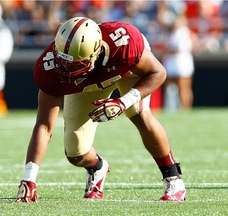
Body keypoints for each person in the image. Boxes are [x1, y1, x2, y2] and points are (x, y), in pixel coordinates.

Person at [16, 17, 186, 202]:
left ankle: (173, 179)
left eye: (74, 65)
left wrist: (123, 102)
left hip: (127, 71)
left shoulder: (123, 44)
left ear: (95, 52)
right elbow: (44, 125)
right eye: (63, 61)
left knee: (139, 114)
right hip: (87, 84)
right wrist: (29, 179)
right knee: (76, 153)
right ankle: (97, 167)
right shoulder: (50, 68)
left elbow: (158, 72)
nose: (65, 69)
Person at [162, 15, 195, 110]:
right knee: (169, 87)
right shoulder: (172, 33)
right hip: (172, 64)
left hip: (182, 64)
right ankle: (171, 108)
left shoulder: (185, 33)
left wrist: (169, 51)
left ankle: (185, 108)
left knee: (183, 88)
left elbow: (182, 48)